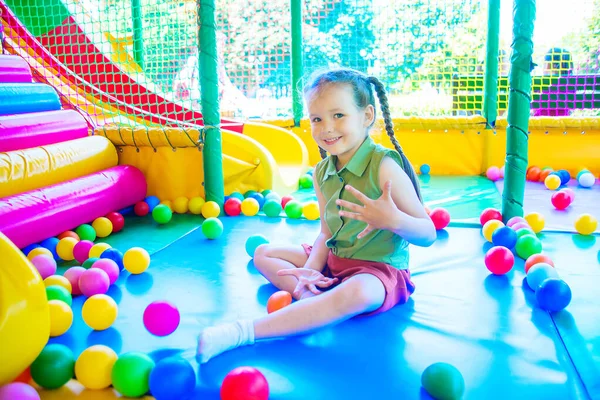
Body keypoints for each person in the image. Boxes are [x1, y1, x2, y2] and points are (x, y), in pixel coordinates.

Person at [196, 68, 437, 363]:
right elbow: (326, 233)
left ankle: (242, 332)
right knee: (263, 254)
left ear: (367, 115)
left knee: (359, 292)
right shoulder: (321, 172)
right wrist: (311, 268)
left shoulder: (384, 167)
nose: (326, 128)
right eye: (317, 119)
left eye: (338, 115)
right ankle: (314, 300)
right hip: (334, 264)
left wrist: (392, 220)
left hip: (377, 272)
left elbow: (428, 234)